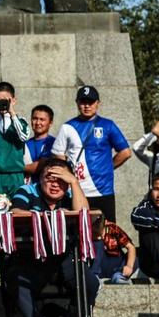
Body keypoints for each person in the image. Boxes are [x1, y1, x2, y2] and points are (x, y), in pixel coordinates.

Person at [9, 157, 97, 317]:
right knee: (14, 280)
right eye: (50, 179)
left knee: (90, 282)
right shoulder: (27, 191)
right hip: (32, 259)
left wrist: (73, 181)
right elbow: (15, 212)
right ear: (40, 178)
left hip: (64, 260)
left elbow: (84, 215)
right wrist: (50, 217)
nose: (55, 185)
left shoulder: (71, 195)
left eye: (61, 180)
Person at [51, 85, 131, 221]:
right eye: (83, 102)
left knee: (107, 232)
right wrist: (69, 173)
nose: (87, 106)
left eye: (91, 102)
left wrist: (108, 167)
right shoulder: (67, 127)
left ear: (98, 103)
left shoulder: (108, 125)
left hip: (103, 191)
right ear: (77, 103)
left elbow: (125, 152)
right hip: (76, 190)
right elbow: (58, 154)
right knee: (77, 230)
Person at [23, 105, 56, 179]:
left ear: (50, 123)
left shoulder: (54, 143)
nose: (38, 123)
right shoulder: (24, 144)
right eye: (35, 118)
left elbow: (39, 167)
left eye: (42, 119)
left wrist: (14, 168)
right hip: (27, 188)